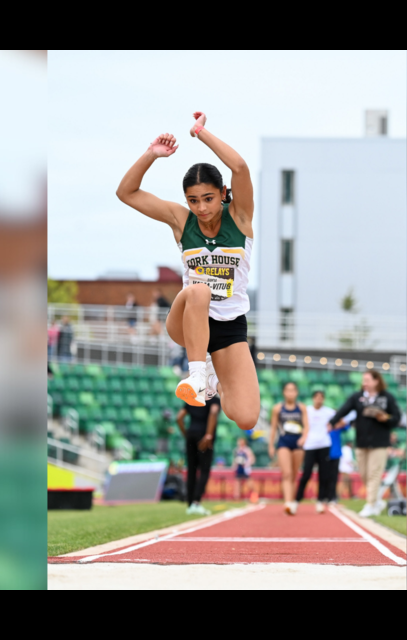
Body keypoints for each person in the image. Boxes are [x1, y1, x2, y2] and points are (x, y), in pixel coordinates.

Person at [116, 112, 259, 433]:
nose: (202, 208)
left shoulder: (240, 219)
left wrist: (200, 133)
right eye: (193, 200)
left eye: (208, 198)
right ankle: (196, 376)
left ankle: (213, 378)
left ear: (223, 193)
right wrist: (151, 154)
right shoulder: (182, 221)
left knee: (246, 417)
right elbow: (126, 193)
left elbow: (240, 168)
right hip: (187, 318)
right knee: (199, 290)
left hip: (229, 327)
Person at [328, 370, 401, 517]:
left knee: (374, 473)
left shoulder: (387, 398)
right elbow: (344, 409)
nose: (364, 383)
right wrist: (332, 422)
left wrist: (385, 418)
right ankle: (377, 502)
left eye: (367, 380)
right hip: (361, 442)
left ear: (376, 381)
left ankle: (370, 504)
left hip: (380, 443)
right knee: (364, 474)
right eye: (363, 380)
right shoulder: (357, 397)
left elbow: (397, 417)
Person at [175, 394, 221, 515]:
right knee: (204, 470)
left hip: (191, 435)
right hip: (204, 436)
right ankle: (196, 502)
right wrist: (209, 435)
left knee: (191, 470)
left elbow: (179, 418)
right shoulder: (214, 399)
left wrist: (186, 434)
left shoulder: (192, 398)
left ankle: (190, 505)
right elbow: (214, 412)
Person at [269, 381, 309, 515]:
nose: (290, 393)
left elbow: (306, 426)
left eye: (293, 390)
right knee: (286, 473)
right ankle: (287, 502)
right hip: (284, 442)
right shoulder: (277, 408)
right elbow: (273, 428)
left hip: (298, 443)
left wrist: (304, 438)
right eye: (288, 390)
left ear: (296, 393)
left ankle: (292, 501)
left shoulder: (301, 407)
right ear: (284, 392)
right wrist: (271, 445)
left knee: (294, 474)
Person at [296, 389, 336, 513]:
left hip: (324, 445)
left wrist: (333, 426)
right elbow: (300, 424)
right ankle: (296, 500)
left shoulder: (329, 412)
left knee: (323, 475)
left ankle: (320, 501)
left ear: (323, 399)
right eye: (317, 397)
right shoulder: (307, 411)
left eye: (321, 397)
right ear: (313, 398)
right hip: (310, 446)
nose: (319, 399)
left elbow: (343, 419)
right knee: (306, 474)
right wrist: (303, 436)